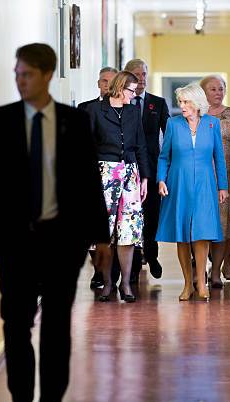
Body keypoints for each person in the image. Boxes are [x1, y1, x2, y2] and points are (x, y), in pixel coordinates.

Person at [0, 43, 109, 402]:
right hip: (14, 240)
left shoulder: (74, 121)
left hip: (62, 241)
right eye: (17, 75)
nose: (21, 81)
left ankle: (51, 401)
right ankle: (21, 400)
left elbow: (89, 181)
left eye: (28, 74)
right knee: (16, 325)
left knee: (56, 328)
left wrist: (100, 238)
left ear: (47, 74)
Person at [156, 83, 229, 301]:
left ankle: (202, 283)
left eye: (186, 102)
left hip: (206, 184)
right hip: (178, 183)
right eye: (180, 102)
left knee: (202, 233)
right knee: (182, 235)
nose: (182, 106)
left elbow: (219, 158)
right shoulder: (173, 124)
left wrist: (222, 186)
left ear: (197, 103)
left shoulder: (212, 124)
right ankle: (188, 284)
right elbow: (164, 156)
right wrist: (161, 179)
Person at [84, 71, 151, 303]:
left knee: (129, 230)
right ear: (120, 87)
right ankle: (107, 282)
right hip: (103, 174)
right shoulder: (94, 110)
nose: (134, 96)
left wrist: (144, 178)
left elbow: (141, 144)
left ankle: (126, 283)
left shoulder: (133, 111)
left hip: (130, 173)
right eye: (131, 91)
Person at [200, 74, 230, 287]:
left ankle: (219, 269)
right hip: (202, 175)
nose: (218, 93)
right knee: (204, 223)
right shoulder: (197, 114)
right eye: (213, 89)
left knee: (224, 224)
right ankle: (202, 266)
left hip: (229, 175)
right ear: (203, 93)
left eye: (221, 89)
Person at [123, 58, 171, 280]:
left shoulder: (157, 103)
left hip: (151, 168)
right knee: (131, 216)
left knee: (152, 214)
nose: (141, 79)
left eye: (144, 74)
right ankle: (132, 265)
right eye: (137, 75)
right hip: (127, 168)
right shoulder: (122, 101)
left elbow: (169, 135)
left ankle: (151, 255)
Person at [78, 66, 118, 290]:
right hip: (92, 172)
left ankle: (114, 272)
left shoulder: (126, 109)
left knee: (116, 228)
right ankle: (98, 271)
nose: (107, 86)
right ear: (98, 83)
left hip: (116, 172)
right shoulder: (85, 109)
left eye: (112, 82)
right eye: (104, 81)